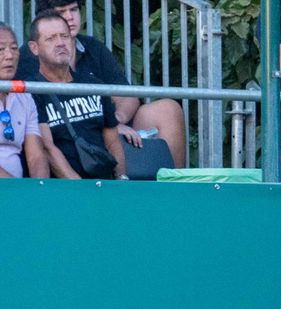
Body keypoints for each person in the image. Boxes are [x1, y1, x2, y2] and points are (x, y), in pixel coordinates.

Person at [16, 0, 186, 167]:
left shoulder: (93, 47)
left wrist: (113, 121)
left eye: (73, 10)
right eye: (61, 12)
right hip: (62, 137)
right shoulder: (26, 58)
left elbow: (127, 96)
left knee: (167, 109)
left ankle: (172, 183)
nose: (70, 17)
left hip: (107, 128)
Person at [27, 12, 124, 179]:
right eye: (50, 38)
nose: (60, 43)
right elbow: (47, 148)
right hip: (66, 188)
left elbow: (113, 142)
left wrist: (121, 180)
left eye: (64, 36)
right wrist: (79, 187)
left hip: (106, 184)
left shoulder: (93, 85)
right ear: (34, 48)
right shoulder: (32, 91)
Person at [0, 26, 49, 178]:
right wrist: (14, 188)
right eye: (1, 49)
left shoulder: (24, 97)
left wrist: (40, 188)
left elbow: (36, 156)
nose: (9, 55)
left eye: (14, 48)